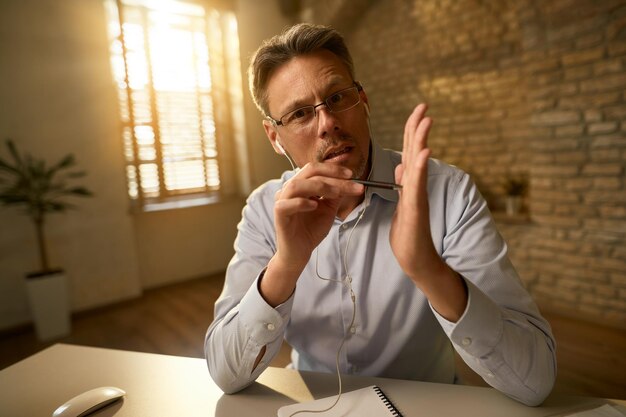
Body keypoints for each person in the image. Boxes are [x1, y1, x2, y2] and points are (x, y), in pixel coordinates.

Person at [205, 23, 556, 406]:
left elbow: (535, 382)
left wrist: (428, 269)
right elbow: (225, 373)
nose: (328, 123)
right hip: (313, 407)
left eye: (338, 97)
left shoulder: (447, 192)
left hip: (429, 407)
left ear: (363, 100)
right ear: (275, 137)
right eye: (301, 113)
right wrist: (286, 265)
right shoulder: (263, 209)